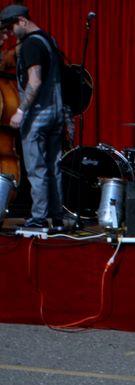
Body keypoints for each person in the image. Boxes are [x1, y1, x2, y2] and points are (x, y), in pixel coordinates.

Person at [0, 4, 64, 231]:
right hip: (56, 113)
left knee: (37, 169)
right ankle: (57, 217)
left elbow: (34, 82)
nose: (10, 33)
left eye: (11, 28)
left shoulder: (30, 45)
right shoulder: (49, 40)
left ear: (22, 21)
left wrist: (20, 111)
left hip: (38, 115)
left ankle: (38, 217)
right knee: (54, 167)